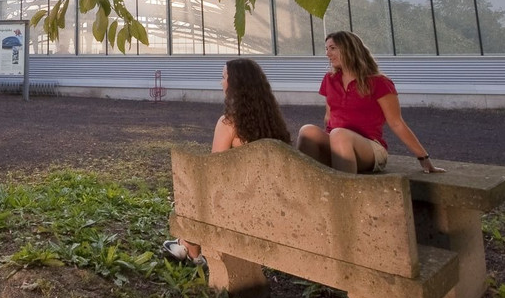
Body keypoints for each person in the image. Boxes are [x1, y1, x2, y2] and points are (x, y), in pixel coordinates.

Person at [162, 58, 292, 266]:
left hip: (241, 207)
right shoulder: (273, 123)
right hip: (272, 205)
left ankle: (190, 247)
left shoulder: (229, 123)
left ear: (235, 85)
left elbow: (214, 172)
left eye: (223, 78)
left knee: (199, 185)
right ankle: (188, 246)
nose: (221, 83)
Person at [297, 30, 444, 175]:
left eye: (333, 48)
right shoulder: (330, 79)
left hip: (370, 149)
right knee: (307, 131)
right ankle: (308, 187)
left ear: (350, 49)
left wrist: (424, 158)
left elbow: (396, 123)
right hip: (337, 141)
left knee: (339, 134)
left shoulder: (379, 82)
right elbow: (329, 117)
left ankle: (346, 192)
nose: (327, 54)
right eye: (327, 49)